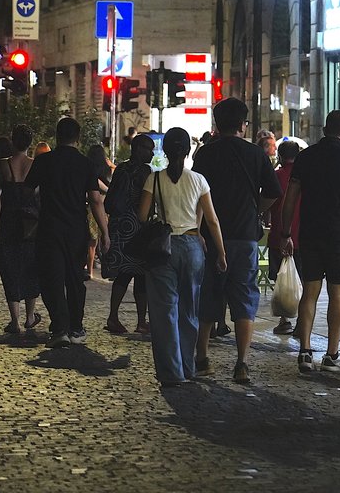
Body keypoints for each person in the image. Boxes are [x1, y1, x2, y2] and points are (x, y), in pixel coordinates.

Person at [191, 97, 282, 384]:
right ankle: (242, 362)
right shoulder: (256, 155)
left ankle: (202, 357)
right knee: (244, 295)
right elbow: (273, 191)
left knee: (208, 294)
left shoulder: (205, 154)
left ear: (217, 124)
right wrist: (256, 209)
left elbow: (196, 193)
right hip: (244, 237)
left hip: (209, 235)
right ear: (243, 125)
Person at [281, 110, 340, 372]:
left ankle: (305, 351)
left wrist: (286, 232)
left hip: (309, 232)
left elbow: (290, 197)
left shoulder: (305, 156)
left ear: (323, 129)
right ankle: (332, 354)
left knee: (310, 292)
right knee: (337, 293)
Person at [137, 127, 226, 387]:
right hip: (192, 248)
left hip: (163, 248)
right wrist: (220, 253)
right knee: (190, 311)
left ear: (164, 151)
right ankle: (188, 367)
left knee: (165, 313)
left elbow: (142, 216)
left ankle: (171, 373)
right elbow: (212, 220)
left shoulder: (154, 179)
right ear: (188, 151)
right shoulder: (199, 180)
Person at [25, 117, 109, 348]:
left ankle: (59, 328)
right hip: (76, 229)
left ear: (57, 137)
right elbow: (95, 200)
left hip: (49, 227)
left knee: (52, 278)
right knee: (74, 279)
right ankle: (76, 326)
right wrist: (104, 232)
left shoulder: (44, 162)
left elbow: (28, 191)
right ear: (78, 138)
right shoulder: (85, 164)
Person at [0, 128, 42, 334]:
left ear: (13, 142)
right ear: (30, 143)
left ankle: (15, 320)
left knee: (10, 268)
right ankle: (30, 316)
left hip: (9, 221)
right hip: (31, 223)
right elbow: (40, 193)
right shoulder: (35, 165)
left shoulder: (3, 165)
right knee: (31, 268)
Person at [104, 134, 153, 335]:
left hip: (120, 226)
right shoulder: (145, 172)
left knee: (123, 273)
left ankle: (113, 316)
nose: (151, 153)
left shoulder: (121, 168)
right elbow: (147, 202)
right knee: (141, 274)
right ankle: (141, 321)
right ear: (138, 149)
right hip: (138, 228)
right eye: (148, 149)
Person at [267, 139, 302, 335]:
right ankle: (302, 323)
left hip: (279, 235)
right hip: (303, 236)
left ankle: (284, 320)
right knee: (304, 280)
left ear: (280, 156)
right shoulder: (306, 177)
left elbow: (269, 202)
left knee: (280, 278)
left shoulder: (277, 175)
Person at [84, 144, 112, 281]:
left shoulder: (88, 169)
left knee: (91, 243)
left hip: (90, 208)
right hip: (103, 209)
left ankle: (89, 270)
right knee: (101, 240)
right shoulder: (107, 170)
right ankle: (104, 267)